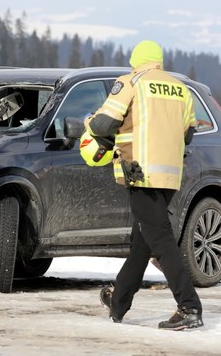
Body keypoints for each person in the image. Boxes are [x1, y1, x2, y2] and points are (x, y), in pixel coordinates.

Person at [84, 40, 203, 330]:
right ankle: (118, 303)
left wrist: (89, 122)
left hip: (140, 172)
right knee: (143, 241)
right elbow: (187, 135)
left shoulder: (131, 82)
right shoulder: (181, 89)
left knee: (160, 239)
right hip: (170, 176)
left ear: (135, 60)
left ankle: (189, 307)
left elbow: (103, 125)